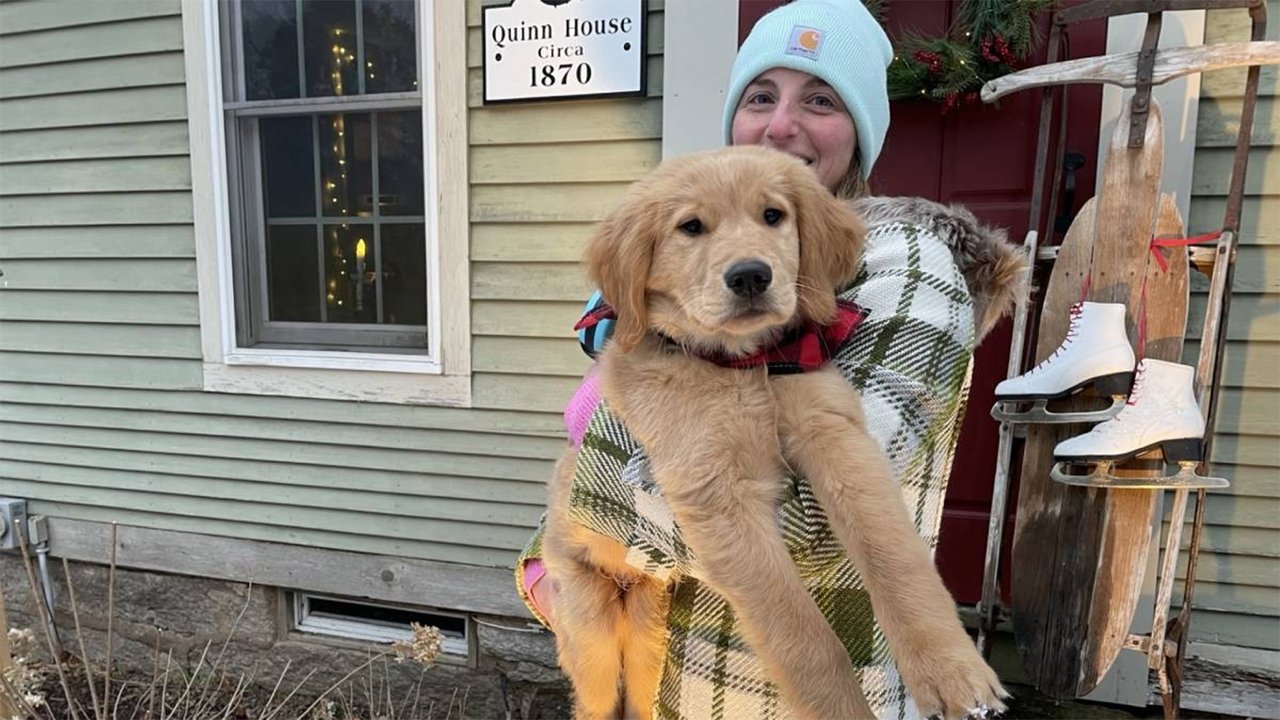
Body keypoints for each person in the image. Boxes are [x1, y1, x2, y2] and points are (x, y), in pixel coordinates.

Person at [516, 0, 1024, 717]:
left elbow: (806, 527)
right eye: (761, 96)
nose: (782, 125)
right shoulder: (668, 303)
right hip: (667, 676)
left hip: (765, 694)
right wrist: (558, 554)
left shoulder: (911, 266)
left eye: (820, 100)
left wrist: (593, 493)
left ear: (862, 129)